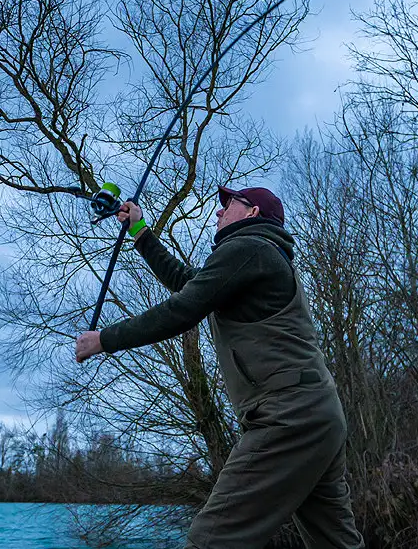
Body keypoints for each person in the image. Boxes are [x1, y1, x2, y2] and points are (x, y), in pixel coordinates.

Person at [75, 186, 365, 549]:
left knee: (211, 538)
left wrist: (104, 339)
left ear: (252, 212)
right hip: (319, 417)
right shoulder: (258, 256)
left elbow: (183, 309)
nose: (219, 212)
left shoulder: (249, 249)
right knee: (334, 541)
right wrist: (140, 232)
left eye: (228, 205)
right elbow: (189, 284)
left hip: (288, 415)